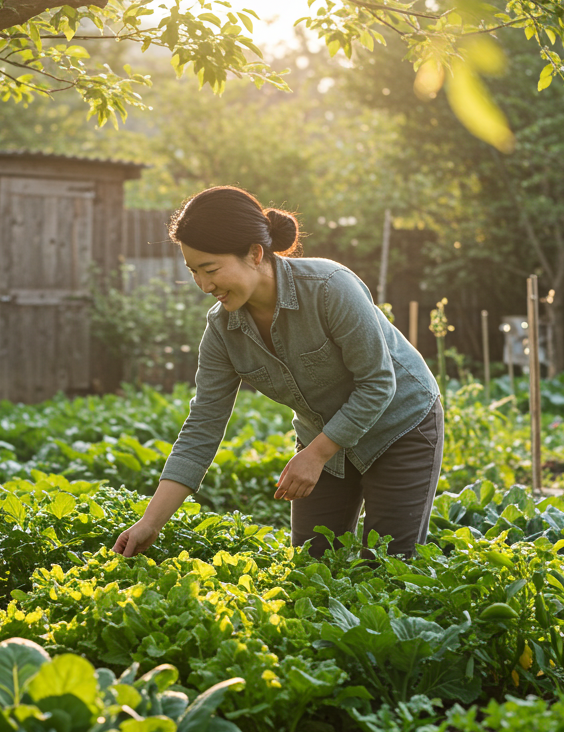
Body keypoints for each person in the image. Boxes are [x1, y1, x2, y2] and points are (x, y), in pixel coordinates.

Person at [112, 186, 444, 559]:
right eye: (193, 272)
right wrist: (150, 522)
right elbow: (202, 426)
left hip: (399, 426)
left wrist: (315, 455)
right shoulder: (222, 331)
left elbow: (378, 384)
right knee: (312, 565)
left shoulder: (330, 287)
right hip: (322, 440)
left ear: (255, 254)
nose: (204, 286)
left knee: (387, 565)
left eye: (211, 269)